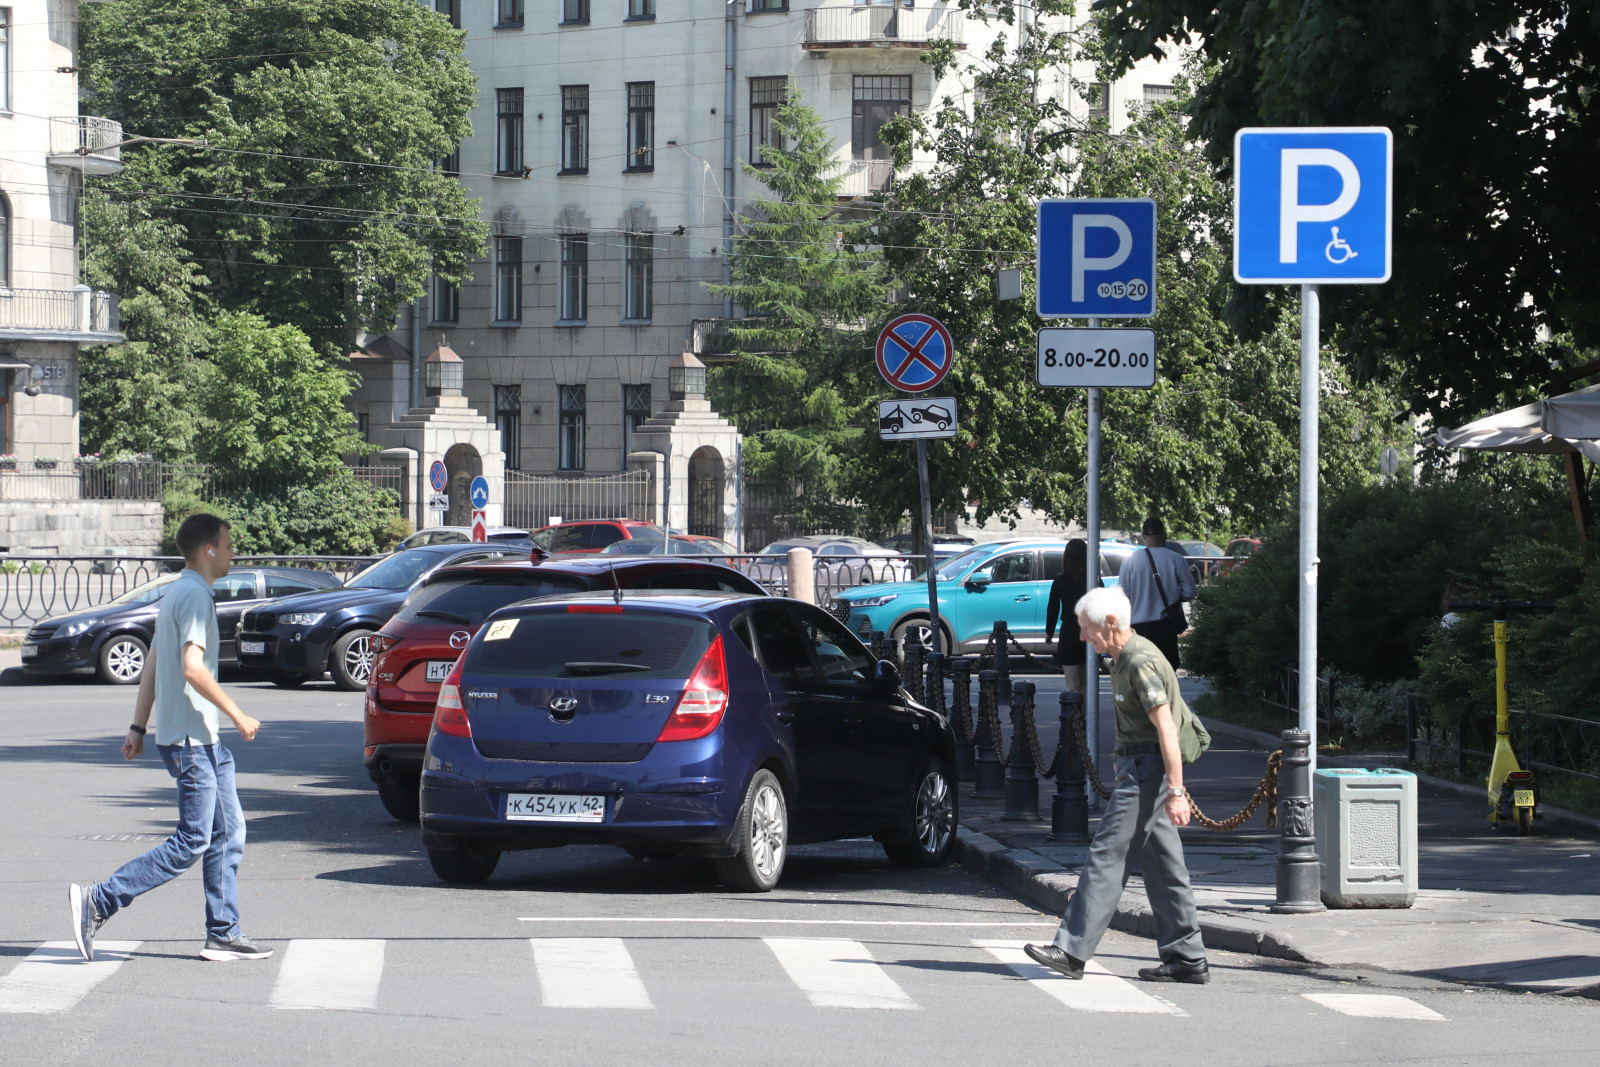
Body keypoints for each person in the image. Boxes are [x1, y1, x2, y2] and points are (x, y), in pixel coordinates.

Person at [69, 514, 271, 963]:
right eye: (228, 543)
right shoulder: (195, 596)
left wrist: (138, 728)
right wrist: (238, 713)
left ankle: (223, 933)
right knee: (193, 839)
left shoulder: (175, 592)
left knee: (228, 832)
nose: (234, 550)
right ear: (208, 550)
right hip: (191, 741)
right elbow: (190, 668)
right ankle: (99, 900)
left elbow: (153, 664)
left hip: (197, 739)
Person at [1024, 585, 1209, 985]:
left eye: (1086, 628)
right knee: (1163, 864)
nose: (1082, 636)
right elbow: (1143, 724)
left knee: (1108, 853)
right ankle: (1187, 956)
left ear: (1111, 623)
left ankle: (1071, 950)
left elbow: (1166, 729)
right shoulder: (1123, 657)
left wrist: (1177, 791)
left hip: (1148, 772)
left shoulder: (1139, 660)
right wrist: (1121, 756)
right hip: (1139, 765)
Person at [1116, 516, 1196, 670]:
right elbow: (1190, 592)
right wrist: (1173, 596)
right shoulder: (1175, 559)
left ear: (1144, 536)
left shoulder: (1130, 561)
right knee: (1166, 674)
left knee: (1142, 674)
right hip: (1165, 628)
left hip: (1138, 629)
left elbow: (1123, 597)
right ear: (1163, 535)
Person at [1046, 539, 1090, 693]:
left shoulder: (1060, 580)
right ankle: (1085, 716)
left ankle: (1074, 716)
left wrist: (1049, 632)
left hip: (1069, 634)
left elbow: (1053, 608)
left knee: (1072, 685)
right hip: (1088, 634)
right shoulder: (1092, 580)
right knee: (1085, 686)